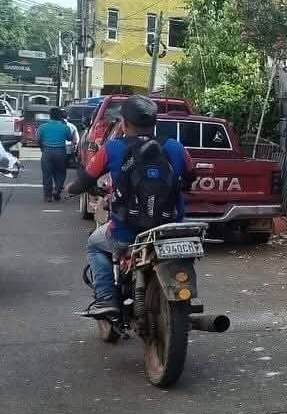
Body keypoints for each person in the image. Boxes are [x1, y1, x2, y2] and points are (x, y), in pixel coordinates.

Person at [66, 96, 193, 319]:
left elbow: (85, 181)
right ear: (155, 123)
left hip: (126, 233)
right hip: (169, 231)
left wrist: (70, 189)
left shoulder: (112, 148)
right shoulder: (175, 147)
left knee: (94, 245)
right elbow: (191, 176)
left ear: (124, 123)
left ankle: (106, 299)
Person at [35, 107, 76, 202]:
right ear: (60, 116)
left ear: (50, 116)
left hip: (47, 152)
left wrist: (42, 148)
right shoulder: (65, 127)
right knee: (61, 172)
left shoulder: (43, 127)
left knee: (47, 174)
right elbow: (70, 138)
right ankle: (57, 189)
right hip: (61, 152)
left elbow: (38, 139)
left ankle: (48, 196)